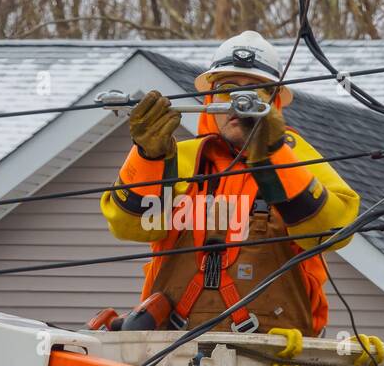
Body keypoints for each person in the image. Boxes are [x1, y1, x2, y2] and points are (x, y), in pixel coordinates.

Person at [100, 31, 360, 337]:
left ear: (275, 102)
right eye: (227, 90)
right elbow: (129, 226)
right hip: (172, 352)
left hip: (276, 356)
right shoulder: (174, 159)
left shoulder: (297, 157)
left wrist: (275, 155)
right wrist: (147, 156)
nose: (238, 103)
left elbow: (334, 232)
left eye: (255, 91)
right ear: (210, 98)